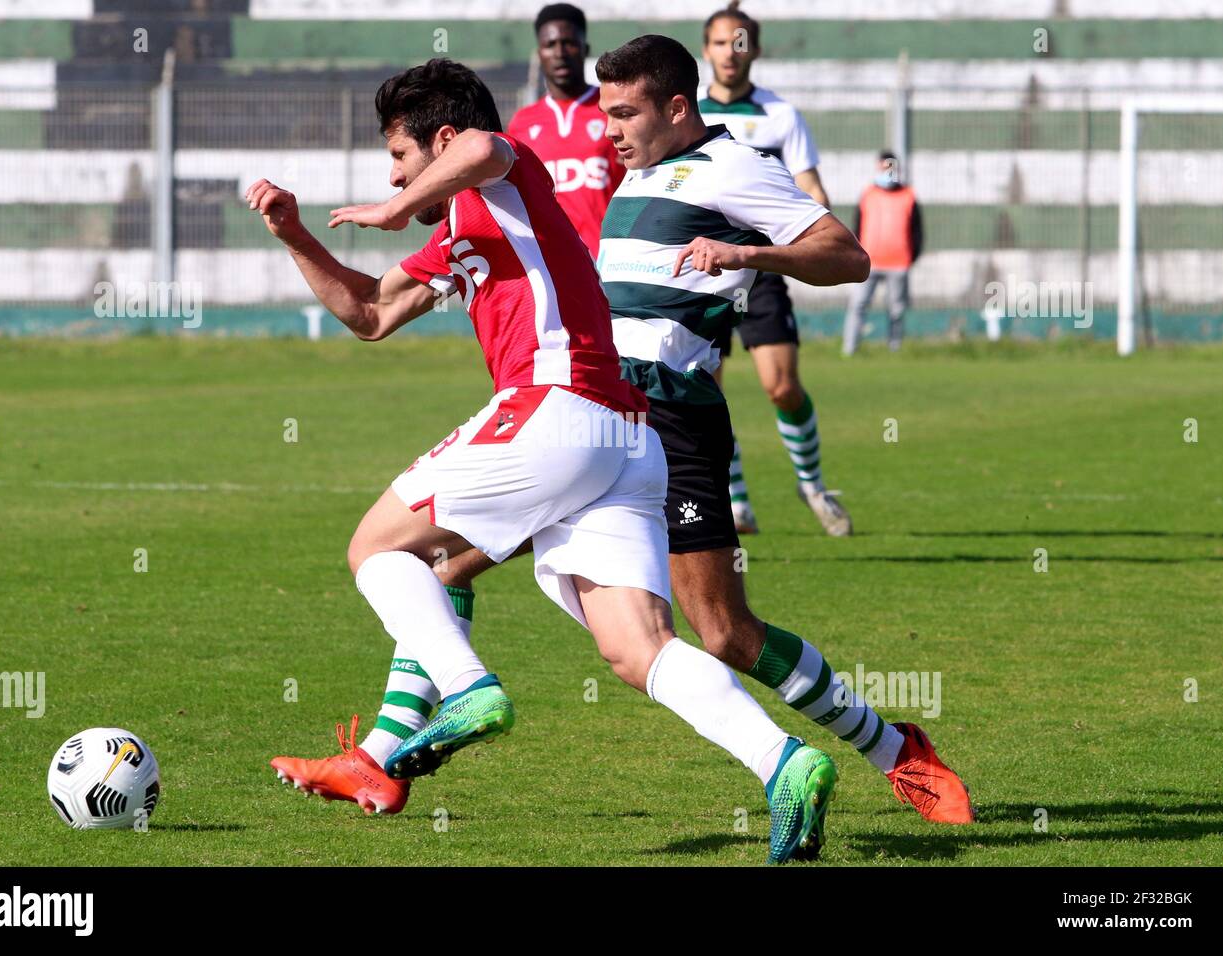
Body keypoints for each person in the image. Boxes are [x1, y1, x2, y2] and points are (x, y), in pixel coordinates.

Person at [352, 41, 975, 832]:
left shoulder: (734, 167)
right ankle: (381, 758)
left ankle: (896, 752)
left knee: (726, 632)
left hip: (671, 417)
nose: (607, 130)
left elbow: (847, 255)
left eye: (624, 113)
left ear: (677, 108)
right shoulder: (635, 174)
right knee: (442, 562)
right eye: (605, 112)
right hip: (600, 409)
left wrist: (746, 253)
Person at [254, 58, 839, 864]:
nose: (392, 172)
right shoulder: (464, 228)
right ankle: (787, 763)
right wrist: (294, 234)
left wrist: (396, 206)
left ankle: (467, 692)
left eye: (398, 154)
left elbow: (489, 147)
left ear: (442, 141)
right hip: (626, 443)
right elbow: (369, 310)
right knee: (637, 648)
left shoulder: (508, 175)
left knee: (375, 548)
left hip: (557, 407)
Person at [698, 2, 850, 537]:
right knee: (705, 391)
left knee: (781, 386)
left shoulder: (780, 115)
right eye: (720, 42)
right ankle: (737, 502)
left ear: (754, 51)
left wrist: (819, 229)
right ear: (706, 49)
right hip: (701, 273)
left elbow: (809, 186)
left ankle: (811, 483)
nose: (730, 54)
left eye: (740, 43)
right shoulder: (686, 112)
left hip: (760, 270)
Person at [507, 4, 624, 258]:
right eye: (550, 45)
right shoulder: (522, 123)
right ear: (539, 53)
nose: (559, 53)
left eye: (569, 43)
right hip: (552, 265)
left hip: (610, 260)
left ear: (585, 49)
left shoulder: (614, 107)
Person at [843, 150, 923, 355]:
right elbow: (857, 226)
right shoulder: (868, 194)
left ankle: (894, 349)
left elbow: (917, 230)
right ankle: (850, 349)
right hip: (869, 262)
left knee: (896, 309)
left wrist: (911, 257)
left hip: (898, 262)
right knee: (858, 305)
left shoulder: (908, 195)